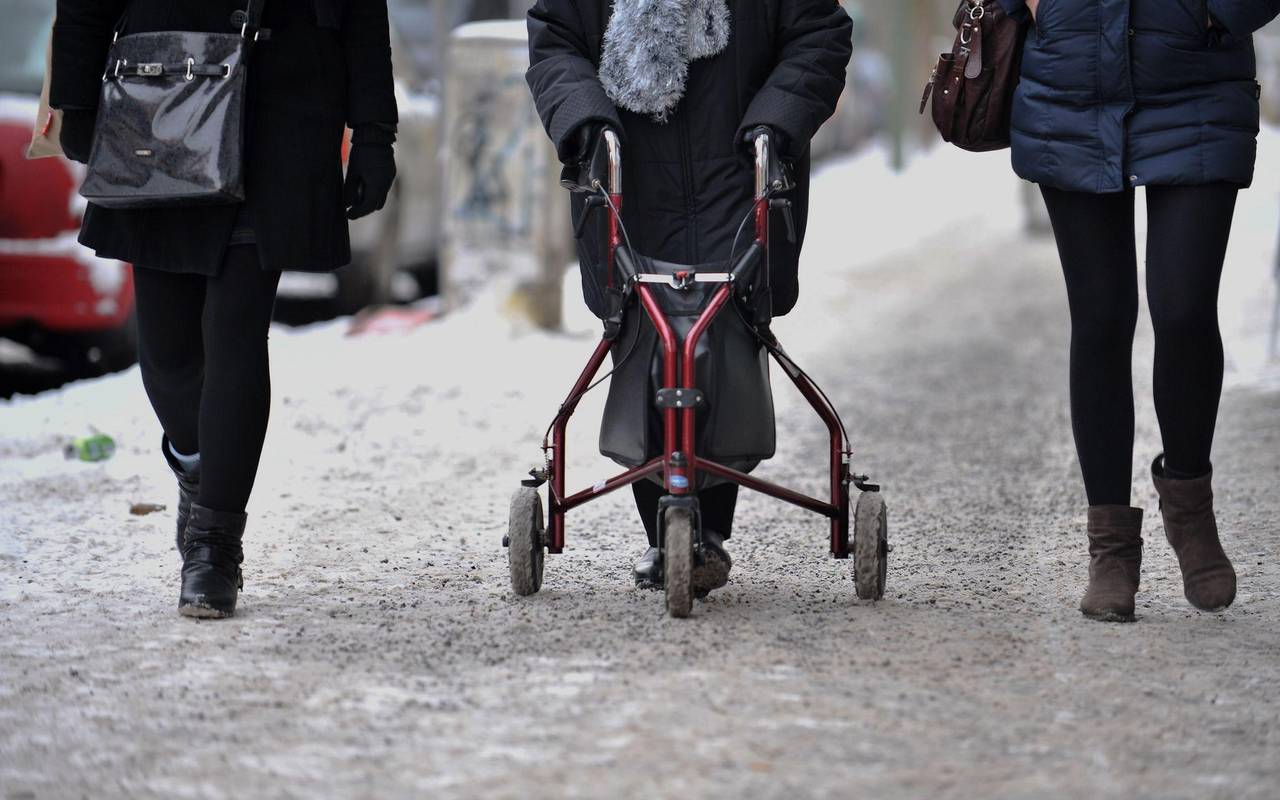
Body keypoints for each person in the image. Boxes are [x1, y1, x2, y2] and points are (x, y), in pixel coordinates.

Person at [51, 0, 399, 619]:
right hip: (162, 92)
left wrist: (374, 129)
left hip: (283, 107)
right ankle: (197, 465)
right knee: (167, 353)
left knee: (236, 331)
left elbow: (363, 8)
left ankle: (214, 546)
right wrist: (75, 101)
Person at [526, 0, 852, 594]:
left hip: (739, 167)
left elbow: (819, 34)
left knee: (722, 331)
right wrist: (584, 115)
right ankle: (667, 531)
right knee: (643, 335)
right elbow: (555, 38)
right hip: (628, 176)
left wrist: (777, 117)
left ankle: (705, 531)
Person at [999, 0, 1280, 621]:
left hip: (1196, 82)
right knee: (1100, 319)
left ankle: (1190, 506)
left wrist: (1217, 11)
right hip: (1072, 85)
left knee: (1184, 309)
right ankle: (1111, 549)